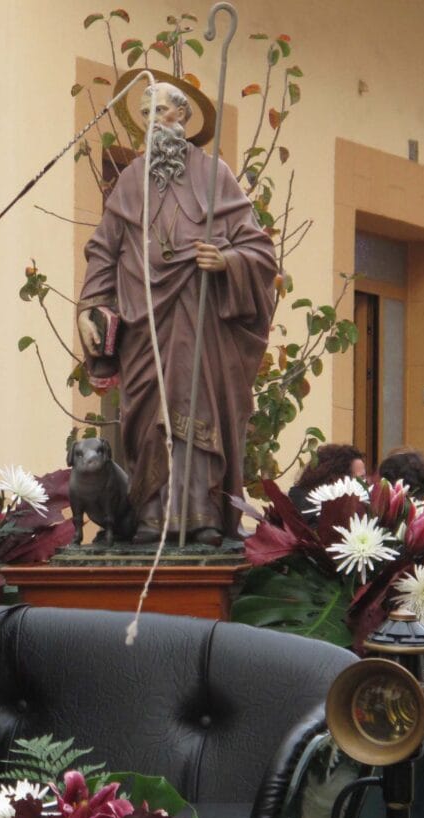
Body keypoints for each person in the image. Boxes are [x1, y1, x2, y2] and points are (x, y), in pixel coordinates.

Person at [77, 82, 277, 544]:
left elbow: (259, 252)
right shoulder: (130, 181)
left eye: (161, 110)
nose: (153, 120)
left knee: (195, 408)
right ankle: (152, 513)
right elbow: (104, 251)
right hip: (143, 320)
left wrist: (226, 261)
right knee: (147, 417)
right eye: (146, 112)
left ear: (183, 118)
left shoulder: (215, 177)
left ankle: (202, 515)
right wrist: (89, 308)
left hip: (199, 315)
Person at [288, 444, 367, 519]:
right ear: (339, 478)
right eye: (360, 478)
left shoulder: (364, 506)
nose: (365, 483)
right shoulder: (304, 504)